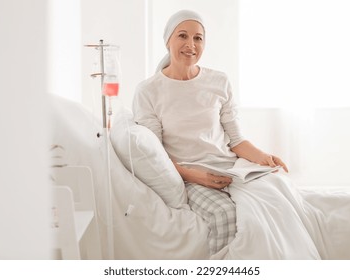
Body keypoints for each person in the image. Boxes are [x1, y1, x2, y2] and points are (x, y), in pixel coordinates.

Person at [133, 10, 320, 259]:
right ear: (168, 40)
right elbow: (155, 154)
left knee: (279, 197)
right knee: (224, 214)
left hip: (231, 169)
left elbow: (237, 140)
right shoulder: (149, 91)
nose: (191, 45)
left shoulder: (219, 81)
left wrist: (264, 157)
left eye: (198, 38)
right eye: (182, 36)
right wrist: (196, 176)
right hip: (187, 175)